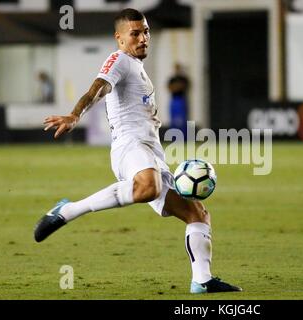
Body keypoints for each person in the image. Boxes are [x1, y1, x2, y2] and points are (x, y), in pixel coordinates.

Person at [34, 8, 241, 294]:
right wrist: (75, 115)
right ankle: (68, 210)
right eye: (135, 33)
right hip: (129, 147)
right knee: (147, 188)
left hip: (152, 152)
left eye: (146, 32)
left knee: (197, 214)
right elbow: (98, 87)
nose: (143, 38)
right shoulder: (119, 59)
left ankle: (202, 281)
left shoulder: (137, 67)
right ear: (119, 38)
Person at [168, 63, 190, 137]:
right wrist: (177, 87)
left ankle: (184, 137)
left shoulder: (183, 79)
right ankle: (174, 137)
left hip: (182, 100)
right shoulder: (172, 79)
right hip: (174, 100)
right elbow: (170, 88)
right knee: (174, 120)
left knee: (183, 120)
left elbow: (185, 87)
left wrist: (176, 87)